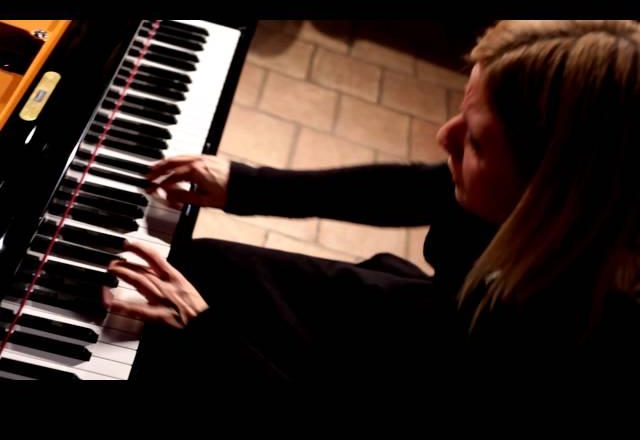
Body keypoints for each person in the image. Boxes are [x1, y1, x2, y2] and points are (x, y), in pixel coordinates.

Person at [102, 20, 640, 384]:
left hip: (427, 357)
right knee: (203, 264)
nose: (444, 137)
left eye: (475, 142)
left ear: (550, 196)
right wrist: (248, 184)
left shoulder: (560, 344)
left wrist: (206, 336)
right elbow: (420, 187)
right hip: (421, 317)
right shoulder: (563, 210)